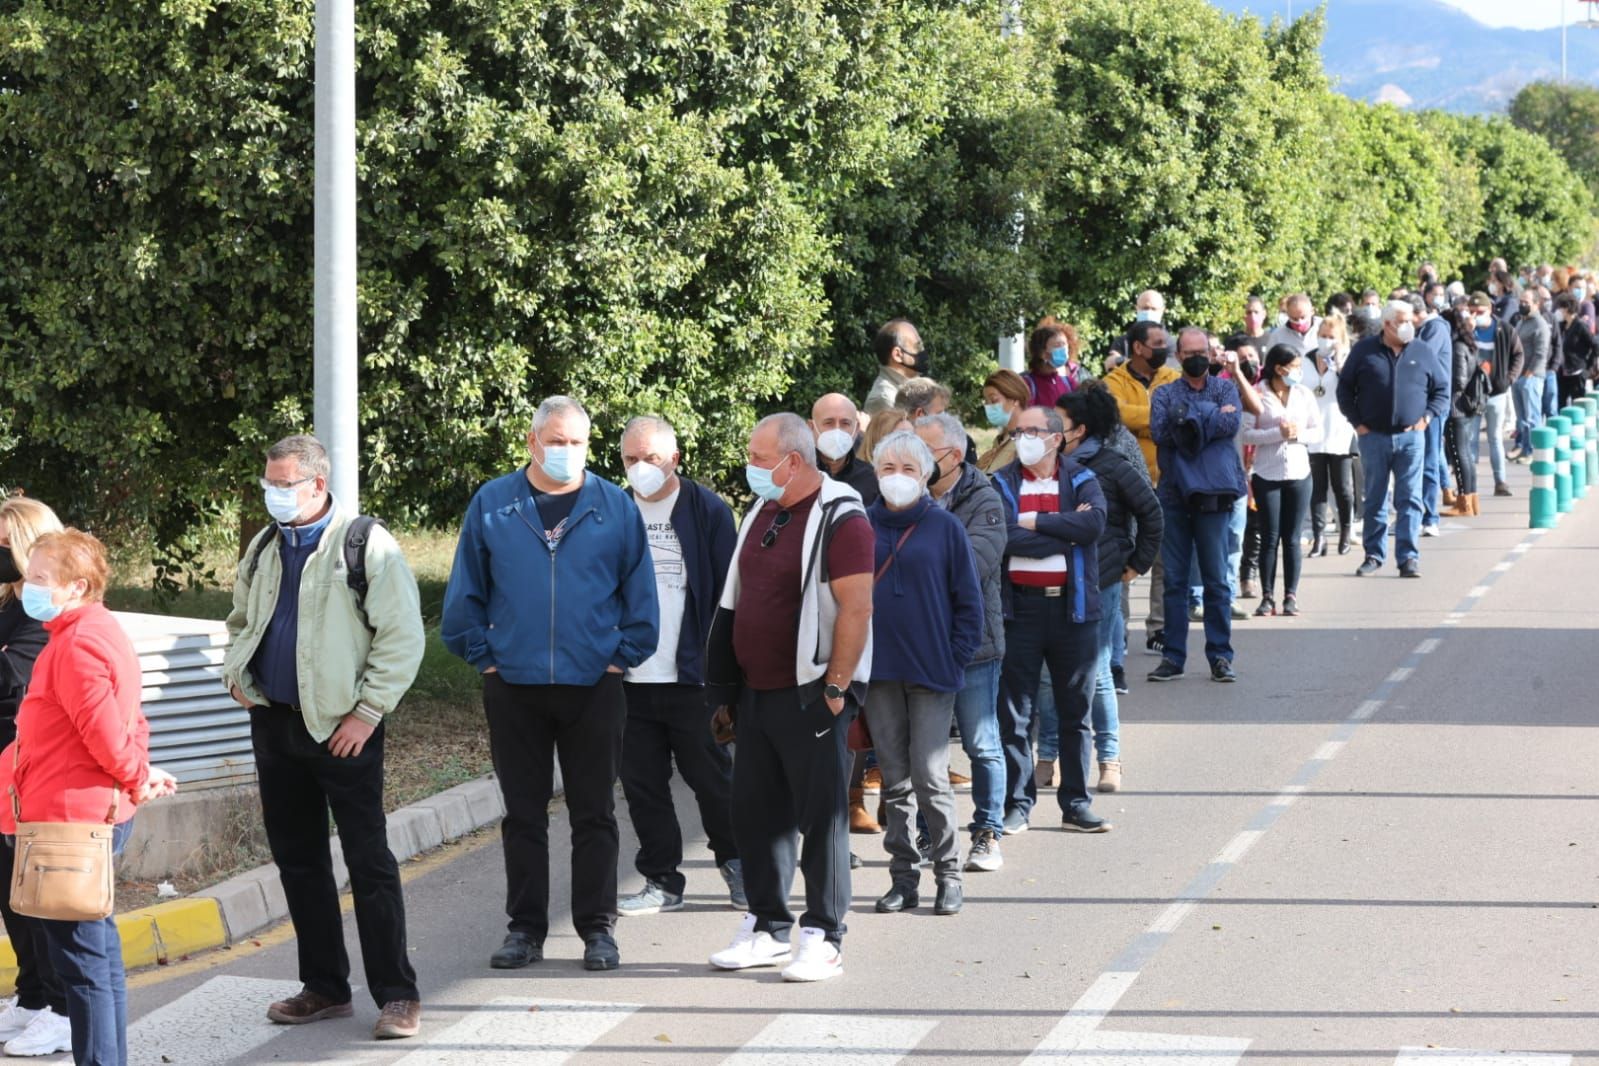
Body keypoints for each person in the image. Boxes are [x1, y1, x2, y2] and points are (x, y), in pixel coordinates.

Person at [442, 396, 659, 973]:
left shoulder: (614, 507)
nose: (566, 452)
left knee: (595, 814)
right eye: (556, 441)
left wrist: (621, 656)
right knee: (522, 814)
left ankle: (597, 929)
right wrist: (484, 656)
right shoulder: (494, 503)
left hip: (595, 685)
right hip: (514, 685)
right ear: (533, 441)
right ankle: (525, 929)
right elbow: (465, 593)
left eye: (577, 443)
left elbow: (641, 597)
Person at [224, 434, 426, 1037]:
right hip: (275, 721)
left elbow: (402, 637)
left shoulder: (366, 544)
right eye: (269, 483)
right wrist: (237, 672)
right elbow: (240, 618)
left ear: (317, 485)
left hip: (344, 728)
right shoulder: (264, 545)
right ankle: (325, 987)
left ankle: (398, 994)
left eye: (284, 484)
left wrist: (367, 713)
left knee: (368, 861)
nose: (273, 494)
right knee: (299, 861)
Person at [704, 414, 873, 983]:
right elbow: (738, 597)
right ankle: (768, 927)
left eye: (759, 457)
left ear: (793, 461)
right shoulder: (763, 511)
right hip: (756, 693)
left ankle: (825, 934)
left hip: (812, 695)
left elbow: (857, 608)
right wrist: (728, 688)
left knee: (822, 817)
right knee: (756, 813)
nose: (751, 467)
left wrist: (835, 688)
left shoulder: (841, 517)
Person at [1, 529, 177, 1066]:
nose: (26, 587)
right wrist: (138, 773)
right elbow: (131, 720)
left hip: (68, 822)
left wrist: (136, 776)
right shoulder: (89, 630)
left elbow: (105, 734)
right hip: (74, 813)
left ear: (76, 586)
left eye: (38, 579)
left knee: (81, 966)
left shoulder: (77, 644)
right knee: (96, 960)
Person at [613, 417, 744, 917]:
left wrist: (726, 675)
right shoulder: (613, 510)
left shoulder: (707, 510)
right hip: (629, 678)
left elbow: (727, 598)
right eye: (631, 459)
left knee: (712, 781)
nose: (641, 468)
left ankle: (737, 865)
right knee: (643, 786)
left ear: (676, 459)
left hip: (692, 677)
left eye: (652, 458)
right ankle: (661, 879)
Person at [862, 432, 982, 917]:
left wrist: (953, 658)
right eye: (887, 468)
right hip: (878, 673)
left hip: (933, 672)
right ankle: (902, 878)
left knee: (930, 776)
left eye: (908, 469)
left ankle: (948, 874)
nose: (897, 478)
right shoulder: (860, 525)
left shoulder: (945, 527)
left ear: (926, 474)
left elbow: (969, 604)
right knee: (893, 779)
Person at [992, 407, 1109, 835]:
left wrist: (1036, 521)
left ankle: (1076, 803)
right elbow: (1002, 535)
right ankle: (1017, 804)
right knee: (1015, 713)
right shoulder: (1002, 482)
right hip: (1018, 609)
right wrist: (1061, 533)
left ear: (1056, 438)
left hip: (1072, 612)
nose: (1023, 437)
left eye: (1032, 430)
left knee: (1074, 710)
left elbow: (1094, 524)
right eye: (1018, 431)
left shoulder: (1081, 478)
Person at [913, 414, 1008, 871]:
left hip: (973, 646)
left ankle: (987, 832)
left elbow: (972, 566)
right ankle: (929, 832)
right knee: (926, 750)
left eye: (924, 455)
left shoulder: (983, 498)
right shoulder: (903, 496)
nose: (912, 465)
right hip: (919, 647)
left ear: (951, 456)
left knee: (982, 743)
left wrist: (914, 559)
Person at [1056, 390, 1161, 793]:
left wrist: (1135, 563)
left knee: (1097, 673)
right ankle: (1049, 758)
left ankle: (1109, 759)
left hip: (1101, 581)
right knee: (1052, 678)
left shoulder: (1112, 463)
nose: (1046, 432)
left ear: (1080, 429)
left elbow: (1150, 512)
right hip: (1053, 583)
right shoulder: (1044, 466)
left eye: (1056, 424)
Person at [0, 497, 71, 1059]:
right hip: (5, 766)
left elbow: (14, 679)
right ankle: (31, 995)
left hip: (33, 768)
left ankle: (59, 1007)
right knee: (9, 888)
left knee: (38, 892)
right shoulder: (8, 603)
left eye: (4, 544)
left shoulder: (49, 614)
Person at [1146, 336, 1248, 683]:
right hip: (1174, 494)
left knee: (1216, 579)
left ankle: (1220, 656)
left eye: (1201, 353)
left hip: (1214, 497)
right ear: (1178, 356)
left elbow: (1231, 425)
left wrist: (1189, 421)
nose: (1196, 359)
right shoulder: (1164, 393)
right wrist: (1208, 418)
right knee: (1174, 580)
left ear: (1210, 354)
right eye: (1189, 354)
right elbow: (1161, 430)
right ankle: (1173, 657)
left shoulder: (1224, 389)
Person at [1337, 301, 1448, 579]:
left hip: (1411, 438)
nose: (1409, 325)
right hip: (1373, 437)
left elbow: (1442, 389)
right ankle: (1374, 555)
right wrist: (1357, 423)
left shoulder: (1421, 351)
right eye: (1402, 320)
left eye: (1410, 319)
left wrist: (1427, 418)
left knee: (1410, 498)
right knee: (1374, 498)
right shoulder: (1364, 351)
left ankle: (1408, 557)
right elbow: (1344, 390)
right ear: (1387, 324)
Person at [1101, 320, 1179, 656]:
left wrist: (1143, 421)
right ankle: (1119, 634)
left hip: (1168, 484)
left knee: (1166, 563)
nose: (1165, 348)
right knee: (1124, 559)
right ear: (1138, 347)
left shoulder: (1173, 378)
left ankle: (1159, 628)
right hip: (1125, 488)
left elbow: (1181, 414)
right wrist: (1160, 419)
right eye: (1158, 342)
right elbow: (1116, 417)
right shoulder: (1111, 383)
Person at [1240, 345, 1323, 617]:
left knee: (1292, 538)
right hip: (1267, 473)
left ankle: (1290, 596)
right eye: (1294, 367)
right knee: (1269, 537)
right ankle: (1266, 597)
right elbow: (1246, 434)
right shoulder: (1258, 394)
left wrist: (1296, 434)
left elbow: (1317, 430)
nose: (1298, 372)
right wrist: (1277, 433)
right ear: (1279, 368)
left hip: (1299, 473)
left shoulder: (1303, 393)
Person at [1306, 314, 1357, 557]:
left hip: (1340, 430)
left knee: (1342, 487)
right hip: (1313, 432)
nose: (1326, 341)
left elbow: (1353, 386)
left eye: (1331, 337)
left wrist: (1338, 360)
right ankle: (1319, 537)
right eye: (1322, 336)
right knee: (1317, 488)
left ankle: (1345, 531)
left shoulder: (1347, 361)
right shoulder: (1306, 359)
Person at [1467, 292, 1524, 498]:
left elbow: (1518, 354)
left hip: (1496, 392)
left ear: (1489, 310)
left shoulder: (1504, 329)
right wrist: (1467, 331)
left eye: (1479, 312)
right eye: (1471, 312)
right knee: (1470, 439)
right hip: (1472, 393)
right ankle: (1468, 486)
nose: (1475, 315)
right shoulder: (1466, 330)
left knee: (1495, 439)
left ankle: (1500, 482)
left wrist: (1509, 378)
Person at [1413, 292, 1454, 536]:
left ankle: (1430, 516)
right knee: (1413, 463)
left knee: (1429, 459)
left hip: (1432, 405)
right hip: (1415, 402)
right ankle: (1414, 513)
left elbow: (1419, 358)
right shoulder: (1423, 330)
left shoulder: (1434, 329)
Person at [1442, 306, 1483, 517]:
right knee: (1464, 453)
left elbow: (1459, 380)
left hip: (1456, 407)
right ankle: (1471, 500)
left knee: (1459, 455)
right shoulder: (1467, 344)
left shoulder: (1457, 347)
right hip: (1463, 407)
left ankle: (1464, 502)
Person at [809, 393, 879, 504]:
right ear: (811, 427)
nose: (837, 430)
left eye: (845, 423)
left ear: (856, 429)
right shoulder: (798, 474)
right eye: (829, 423)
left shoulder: (871, 478)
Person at [1509, 289, 1550, 461]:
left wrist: (1528, 373)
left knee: (1533, 417)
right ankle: (1525, 449)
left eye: (1526, 302)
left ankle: (1535, 452)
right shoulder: (1521, 322)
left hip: (1531, 377)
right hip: (1518, 376)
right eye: (1521, 301)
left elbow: (1541, 353)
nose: (1522, 304)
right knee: (1522, 419)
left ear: (1536, 303)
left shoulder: (1539, 324)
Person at [864, 319, 927, 416]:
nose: (922, 351)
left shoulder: (916, 385)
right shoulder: (884, 398)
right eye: (917, 346)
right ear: (897, 355)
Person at [977, 370, 1030, 474]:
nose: (988, 407)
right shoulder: (1000, 440)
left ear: (1014, 399)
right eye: (986, 402)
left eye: (993, 400)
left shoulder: (1029, 440)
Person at [1553, 293, 1597, 407]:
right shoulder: (1561, 326)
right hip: (1563, 372)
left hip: (1577, 372)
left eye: (1560, 308)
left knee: (1577, 404)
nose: (1558, 311)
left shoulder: (1580, 326)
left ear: (1566, 309)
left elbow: (1595, 345)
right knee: (1560, 404)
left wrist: (1588, 367)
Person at [1022, 322, 1078, 409]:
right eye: (1058, 345)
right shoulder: (1027, 384)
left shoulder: (1069, 383)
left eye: (1065, 344)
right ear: (1042, 353)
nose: (1063, 350)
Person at [1107, 290, 1167, 360]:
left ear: (1162, 310)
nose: (1149, 312)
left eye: (1153, 309)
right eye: (1145, 308)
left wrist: (1124, 362)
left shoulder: (1171, 343)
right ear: (1137, 309)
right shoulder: (1122, 342)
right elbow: (1112, 364)